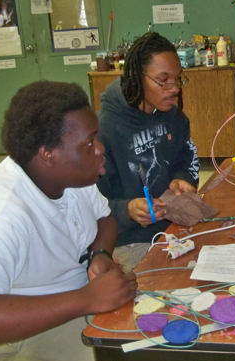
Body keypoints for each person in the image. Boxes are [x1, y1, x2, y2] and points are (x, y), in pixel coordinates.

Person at [0, 81, 138, 360]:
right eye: (89, 143)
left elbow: (105, 218)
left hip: (81, 297)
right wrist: (86, 299)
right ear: (47, 155)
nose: (100, 149)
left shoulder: (76, 176)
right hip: (28, 330)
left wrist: (99, 254)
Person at [97, 32, 200, 272]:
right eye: (163, 80)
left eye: (178, 79)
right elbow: (89, 204)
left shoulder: (174, 118)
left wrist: (182, 179)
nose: (174, 88)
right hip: (130, 239)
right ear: (135, 76)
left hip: (174, 226)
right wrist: (127, 210)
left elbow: (187, 158)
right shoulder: (105, 130)